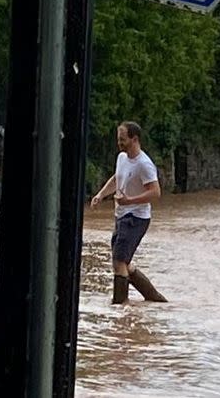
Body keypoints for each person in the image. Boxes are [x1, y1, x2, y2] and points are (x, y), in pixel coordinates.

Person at [91, 121, 166, 304]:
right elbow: (117, 178)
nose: (119, 143)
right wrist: (100, 195)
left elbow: (155, 192)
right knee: (124, 262)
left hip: (136, 217)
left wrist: (129, 201)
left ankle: (119, 306)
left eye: (123, 139)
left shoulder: (144, 164)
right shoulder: (122, 158)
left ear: (135, 139)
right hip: (121, 215)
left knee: (118, 261)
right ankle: (154, 299)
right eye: (118, 139)